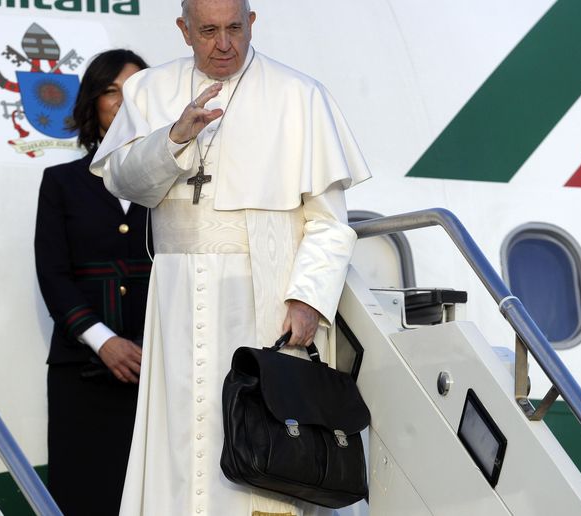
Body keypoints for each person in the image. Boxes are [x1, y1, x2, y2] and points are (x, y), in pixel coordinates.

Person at [90, 0, 371, 514]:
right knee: (181, 438)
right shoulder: (148, 90)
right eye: (209, 31)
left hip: (263, 298)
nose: (225, 44)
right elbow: (124, 182)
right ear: (183, 31)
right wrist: (175, 137)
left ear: (252, 23)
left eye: (235, 29)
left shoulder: (299, 95)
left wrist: (307, 299)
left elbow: (330, 223)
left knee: (262, 443)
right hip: (176, 296)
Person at [34, 49, 151, 516]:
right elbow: (53, 275)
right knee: (86, 494)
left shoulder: (175, 185)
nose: (123, 102)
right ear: (93, 102)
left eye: (136, 91)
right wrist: (103, 341)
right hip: (81, 371)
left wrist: (153, 347)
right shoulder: (61, 182)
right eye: (111, 91)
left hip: (156, 369)